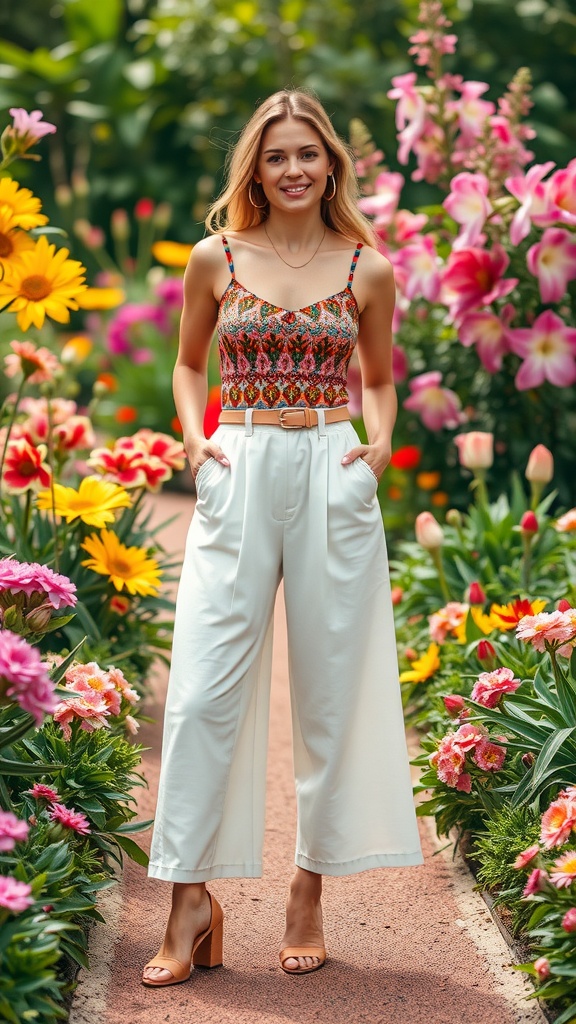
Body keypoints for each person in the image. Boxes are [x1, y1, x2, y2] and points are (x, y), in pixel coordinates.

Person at [142, 88, 423, 988]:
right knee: (199, 691)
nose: (294, 168)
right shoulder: (214, 257)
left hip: (333, 470)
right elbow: (189, 366)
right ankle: (189, 898)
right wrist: (198, 442)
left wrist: (377, 445)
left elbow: (377, 381)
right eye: (275, 156)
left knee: (330, 692)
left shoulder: (365, 269)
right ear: (254, 169)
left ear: (331, 162)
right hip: (242, 462)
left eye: (308, 153)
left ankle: (307, 888)